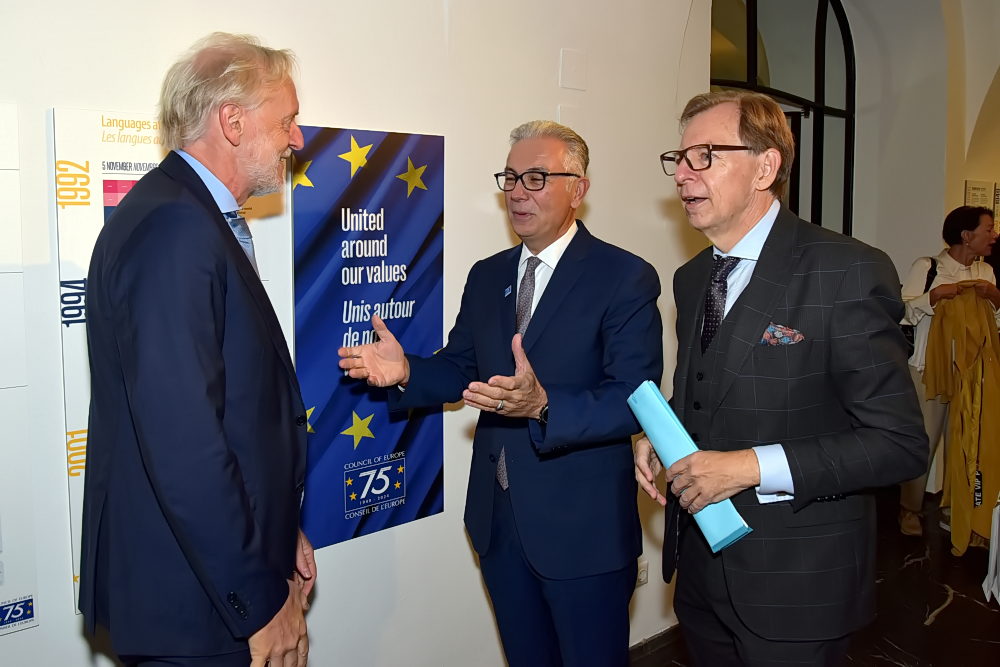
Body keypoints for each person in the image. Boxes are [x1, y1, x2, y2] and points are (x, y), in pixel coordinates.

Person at [338, 120, 663, 667]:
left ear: (578, 189)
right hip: (498, 523)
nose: (517, 192)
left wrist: (545, 406)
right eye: (510, 178)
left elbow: (635, 397)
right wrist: (407, 371)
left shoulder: (623, 276)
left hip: (582, 532)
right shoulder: (488, 275)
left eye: (536, 178)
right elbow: (461, 367)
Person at [634, 90, 927, 666]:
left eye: (705, 156)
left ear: (765, 167)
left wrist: (748, 467)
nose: (684, 175)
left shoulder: (846, 269)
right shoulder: (692, 277)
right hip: (701, 574)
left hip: (798, 586)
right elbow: (713, 387)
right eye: (679, 158)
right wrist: (662, 435)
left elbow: (899, 443)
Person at [80, 33, 315, 667]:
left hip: (210, 585)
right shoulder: (175, 228)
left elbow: (233, 414)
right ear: (232, 122)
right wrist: (257, 602)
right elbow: (185, 442)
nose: (297, 139)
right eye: (286, 121)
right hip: (195, 606)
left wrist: (276, 534)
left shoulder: (190, 216)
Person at [898, 205, 1000, 537]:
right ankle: (909, 508)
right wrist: (933, 297)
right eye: (988, 229)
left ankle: (961, 509)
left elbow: (994, 324)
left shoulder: (985, 272)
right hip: (929, 370)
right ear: (966, 235)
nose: (994, 235)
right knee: (925, 441)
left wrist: (995, 298)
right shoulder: (928, 267)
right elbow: (902, 312)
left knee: (968, 441)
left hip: (971, 374)